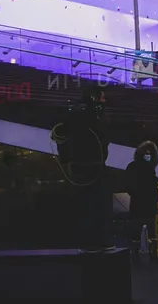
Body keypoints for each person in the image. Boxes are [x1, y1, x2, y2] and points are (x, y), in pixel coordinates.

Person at [51, 87, 111, 252]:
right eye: (102, 98)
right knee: (93, 206)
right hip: (88, 168)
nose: (104, 102)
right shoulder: (83, 118)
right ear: (94, 99)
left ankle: (95, 241)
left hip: (90, 167)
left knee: (93, 206)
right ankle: (93, 242)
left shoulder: (87, 117)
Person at [124, 141, 158, 258]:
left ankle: (142, 256)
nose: (148, 155)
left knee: (147, 231)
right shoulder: (138, 167)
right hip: (140, 203)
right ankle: (140, 256)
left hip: (144, 203)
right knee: (138, 231)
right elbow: (129, 185)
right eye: (146, 153)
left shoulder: (141, 167)